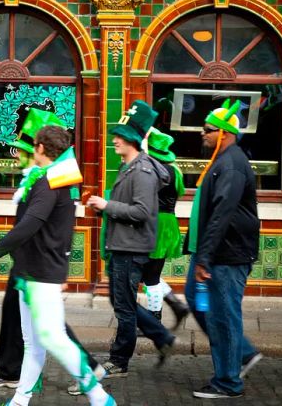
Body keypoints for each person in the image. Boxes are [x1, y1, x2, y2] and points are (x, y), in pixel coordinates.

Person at [0, 125, 115, 406]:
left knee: (52, 338)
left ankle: (99, 397)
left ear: (40, 148)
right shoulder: (50, 180)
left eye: (32, 145)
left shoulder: (49, 182)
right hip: (32, 270)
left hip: (41, 272)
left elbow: (28, 227)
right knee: (33, 343)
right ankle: (19, 400)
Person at [88, 100, 175, 378]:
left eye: (120, 136)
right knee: (119, 300)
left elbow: (142, 212)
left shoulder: (143, 171)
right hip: (121, 245)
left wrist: (106, 205)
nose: (114, 140)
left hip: (131, 247)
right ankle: (161, 335)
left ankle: (119, 360)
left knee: (124, 307)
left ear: (133, 141)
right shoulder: (129, 166)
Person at [184, 100, 262, 399]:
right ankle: (239, 353)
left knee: (224, 316)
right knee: (196, 298)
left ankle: (228, 381)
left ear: (225, 133)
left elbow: (222, 213)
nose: (202, 134)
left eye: (208, 130)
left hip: (226, 256)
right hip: (213, 254)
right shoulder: (222, 159)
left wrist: (204, 258)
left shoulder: (231, 163)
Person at [141, 127, 189, 329]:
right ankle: (176, 305)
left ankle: (154, 321)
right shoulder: (175, 171)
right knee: (151, 271)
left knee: (149, 276)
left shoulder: (152, 169)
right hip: (169, 222)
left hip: (155, 223)